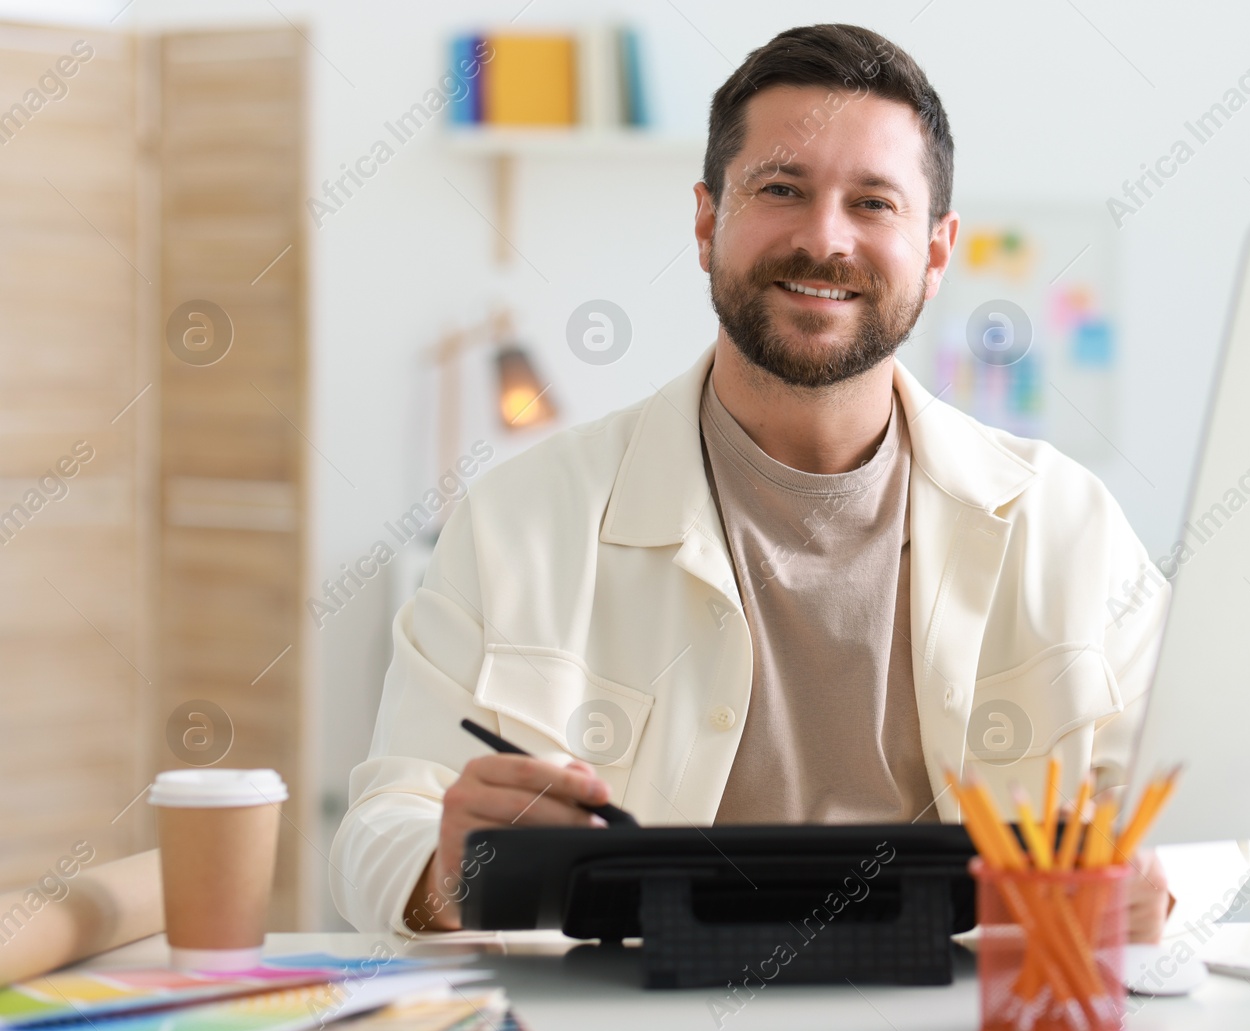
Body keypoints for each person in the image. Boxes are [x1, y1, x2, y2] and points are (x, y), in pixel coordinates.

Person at [331, 23, 1172, 941]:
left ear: (936, 253)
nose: (825, 238)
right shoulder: (518, 521)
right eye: (782, 189)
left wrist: (1157, 886)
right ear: (706, 221)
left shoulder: (1066, 521)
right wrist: (449, 870)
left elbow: (1198, 813)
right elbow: (378, 829)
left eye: (873, 203)